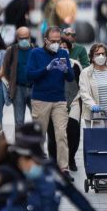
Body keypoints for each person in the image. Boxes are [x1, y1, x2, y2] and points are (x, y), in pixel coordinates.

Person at [28, 27, 75, 173]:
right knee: (40, 135)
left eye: (58, 40)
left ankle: (63, 168)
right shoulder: (36, 53)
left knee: (61, 134)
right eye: (53, 41)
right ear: (46, 40)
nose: (56, 43)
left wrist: (66, 69)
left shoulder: (62, 53)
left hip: (59, 100)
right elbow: (29, 75)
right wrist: (47, 68)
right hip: (41, 99)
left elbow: (71, 77)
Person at [47, 39, 84, 172]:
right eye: (60, 46)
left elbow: (81, 84)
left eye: (65, 47)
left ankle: (71, 158)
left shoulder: (75, 65)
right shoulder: (50, 63)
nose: (63, 49)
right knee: (53, 133)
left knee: (73, 131)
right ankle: (53, 160)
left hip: (73, 101)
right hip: (54, 102)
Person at [78, 43, 107, 128]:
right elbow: (84, 92)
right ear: (92, 56)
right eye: (97, 54)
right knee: (99, 140)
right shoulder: (86, 73)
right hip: (97, 114)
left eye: (103, 54)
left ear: (106, 55)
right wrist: (92, 105)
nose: (101, 56)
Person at [4, 26, 36, 128]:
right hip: (18, 89)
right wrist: (11, 81)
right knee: (19, 120)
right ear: (17, 38)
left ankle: (35, 141)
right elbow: (5, 69)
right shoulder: (12, 50)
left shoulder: (35, 50)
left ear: (30, 37)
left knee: (37, 118)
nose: (24, 40)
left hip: (34, 88)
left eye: (26, 37)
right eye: (21, 38)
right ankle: (19, 142)